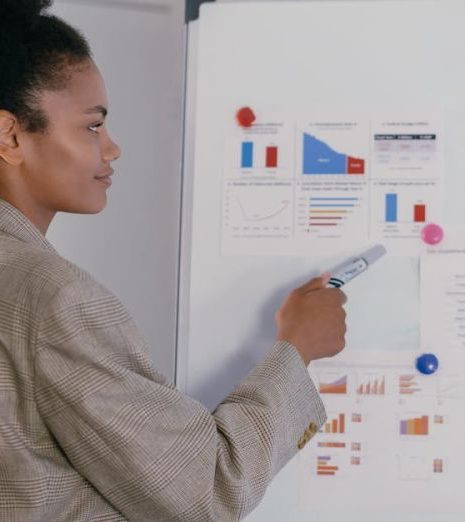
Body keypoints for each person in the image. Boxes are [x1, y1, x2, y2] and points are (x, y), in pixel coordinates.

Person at [0, 1, 347, 520]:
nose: (111, 148)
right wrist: (297, 349)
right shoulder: (52, 297)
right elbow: (205, 491)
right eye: (92, 127)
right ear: (9, 135)